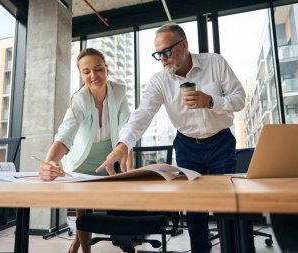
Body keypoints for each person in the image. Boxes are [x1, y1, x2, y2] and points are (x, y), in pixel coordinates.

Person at [96, 23, 246, 253]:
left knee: (227, 207)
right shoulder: (160, 81)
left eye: (166, 51)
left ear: (184, 45)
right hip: (187, 146)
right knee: (195, 212)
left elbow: (239, 99)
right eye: (158, 54)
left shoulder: (214, 63)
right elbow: (143, 114)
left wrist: (212, 102)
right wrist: (122, 145)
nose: (163, 59)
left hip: (221, 142)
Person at [38, 48, 132, 253]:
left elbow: (127, 128)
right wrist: (50, 162)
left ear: (107, 69)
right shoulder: (79, 99)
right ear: (81, 74)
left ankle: (78, 242)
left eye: (98, 69)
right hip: (84, 158)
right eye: (86, 71)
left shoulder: (119, 91)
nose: (93, 76)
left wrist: (127, 165)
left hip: (111, 155)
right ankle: (85, 251)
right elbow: (65, 135)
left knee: (116, 197)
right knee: (83, 204)